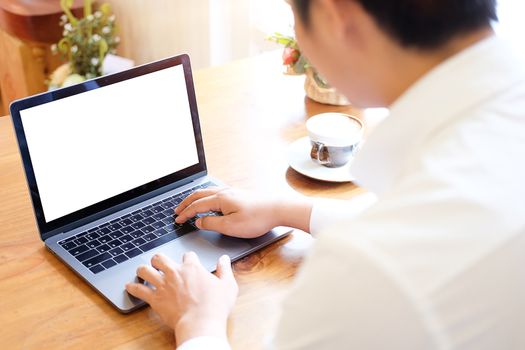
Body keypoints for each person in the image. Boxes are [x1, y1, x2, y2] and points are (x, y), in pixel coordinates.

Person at [126, 0, 525, 348]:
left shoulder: (367, 275)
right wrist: (287, 210)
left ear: (335, 15)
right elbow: (437, 224)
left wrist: (200, 325)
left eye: (292, 13)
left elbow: (403, 246)